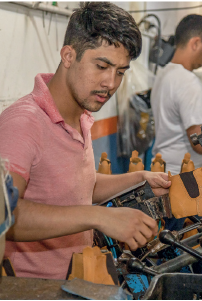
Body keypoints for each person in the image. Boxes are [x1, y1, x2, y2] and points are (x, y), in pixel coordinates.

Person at [0, 2, 171, 280]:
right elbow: (6, 212)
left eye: (120, 71)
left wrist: (139, 179)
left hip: (75, 282)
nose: (110, 83)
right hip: (32, 290)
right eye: (102, 66)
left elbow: (76, 188)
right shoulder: (24, 123)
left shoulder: (80, 117)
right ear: (69, 55)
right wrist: (98, 216)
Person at [151, 14, 202, 175]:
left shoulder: (163, 74)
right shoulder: (187, 81)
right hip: (184, 176)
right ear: (195, 43)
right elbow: (201, 144)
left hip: (164, 169)